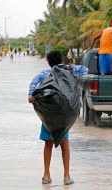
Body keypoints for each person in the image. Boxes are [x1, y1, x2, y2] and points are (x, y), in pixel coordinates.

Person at [28, 50, 88, 185]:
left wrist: (31, 94)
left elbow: (34, 82)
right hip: (63, 115)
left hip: (49, 115)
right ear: (61, 60)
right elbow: (85, 70)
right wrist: (69, 67)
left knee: (48, 144)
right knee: (65, 144)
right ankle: (67, 176)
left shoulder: (45, 74)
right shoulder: (68, 72)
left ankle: (46, 175)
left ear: (48, 62)